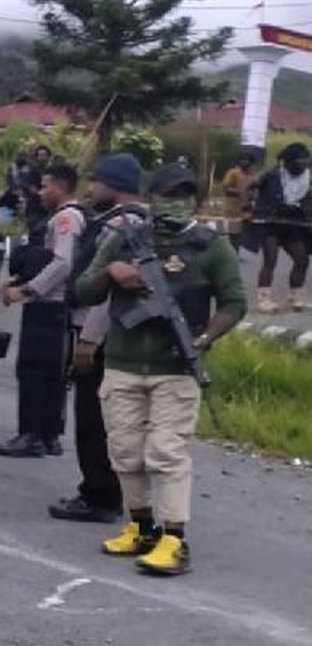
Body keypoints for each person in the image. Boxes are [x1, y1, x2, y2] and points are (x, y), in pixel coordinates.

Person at [74, 164, 246, 575]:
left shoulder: (210, 247)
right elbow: (81, 289)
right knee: (125, 451)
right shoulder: (124, 239)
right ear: (151, 199)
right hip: (123, 363)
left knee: (166, 452)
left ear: (198, 202)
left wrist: (204, 339)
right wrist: (112, 274)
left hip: (175, 368)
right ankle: (141, 526)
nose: (177, 202)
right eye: (169, 194)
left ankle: (174, 538)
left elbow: (234, 302)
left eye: (186, 195)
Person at [49, 153, 145, 524]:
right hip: (118, 334)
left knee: (93, 418)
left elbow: (107, 287)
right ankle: (108, 491)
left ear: (113, 184)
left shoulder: (119, 225)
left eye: (96, 181)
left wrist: (89, 339)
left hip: (99, 330)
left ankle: (98, 495)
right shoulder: (136, 221)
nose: (90, 189)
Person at [0, 163, 83, 458]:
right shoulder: (72, 216)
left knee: (33, 369)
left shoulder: (64, 219)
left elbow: (61, 263)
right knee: (52, 372)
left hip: (49, 304)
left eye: (46, 186)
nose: (41, 192)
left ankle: (31, 434)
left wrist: (28, 290)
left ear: (61, 186)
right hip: (59, 306)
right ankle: (48, 434)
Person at [252, 142, 311, 313]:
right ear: (288, 162)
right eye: (298, 162)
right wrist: (257, 207)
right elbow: (251, 186)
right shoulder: (273, 175)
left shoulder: (308, 178)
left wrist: (300, 206)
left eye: (305, 162)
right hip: (272, 224)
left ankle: (296, 297)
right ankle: (264, 300)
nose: (302, 166)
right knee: (270, 260)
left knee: (302, 259)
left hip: (293, 225)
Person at [221, 152, 256, 252]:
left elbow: (253, 191)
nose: (244, 162)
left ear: (251, 163)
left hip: (246, 209)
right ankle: (233, 254)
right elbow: (226, 188)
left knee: (241, 234)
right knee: (234, 234)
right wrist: (240, 192)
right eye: (242, 159)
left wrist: (251, 195)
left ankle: (234, 252)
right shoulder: (233, 172)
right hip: (233, 209)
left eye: (246, 160)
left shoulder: (250, 176)